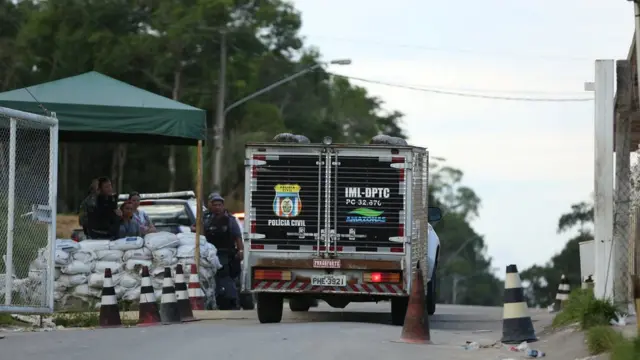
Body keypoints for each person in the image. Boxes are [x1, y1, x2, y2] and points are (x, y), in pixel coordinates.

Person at [195, 193, 243, 309]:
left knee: (225, 277)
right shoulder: (205, 218)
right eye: (214, 205)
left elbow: (237, 236)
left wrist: (241, 250)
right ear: (210, 205)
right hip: (208, 253)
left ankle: (231, 301)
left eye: (219, 205)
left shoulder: (229, 219)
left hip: (225, 254)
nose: (217, 207)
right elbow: (196, 230)